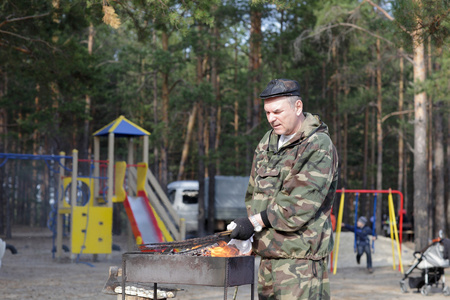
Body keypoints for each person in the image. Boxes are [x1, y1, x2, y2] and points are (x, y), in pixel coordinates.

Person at [229, 78, 339, 300]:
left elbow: (298, 205)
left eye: (277, 112)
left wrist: (254, 223)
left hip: (300, 264)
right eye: (268, 113)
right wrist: (249, 236)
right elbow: (253, 193)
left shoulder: (317, 145)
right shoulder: (267, 142)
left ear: (298, 107)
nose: (271, 119)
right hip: (268, 260)